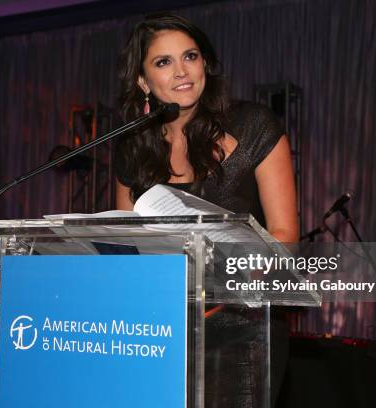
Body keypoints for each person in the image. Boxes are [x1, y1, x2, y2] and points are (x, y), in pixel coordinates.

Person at [114, 13, 298, 408]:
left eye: (190, 56)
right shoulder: (132, 147)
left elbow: (285, 239)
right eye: (163, 62)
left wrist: (225, 269)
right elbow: (127, 248)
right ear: (143, 81)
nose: (181, 71)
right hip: (159, 332)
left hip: (243, 333)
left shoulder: (254, 126)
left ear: (205, 64)